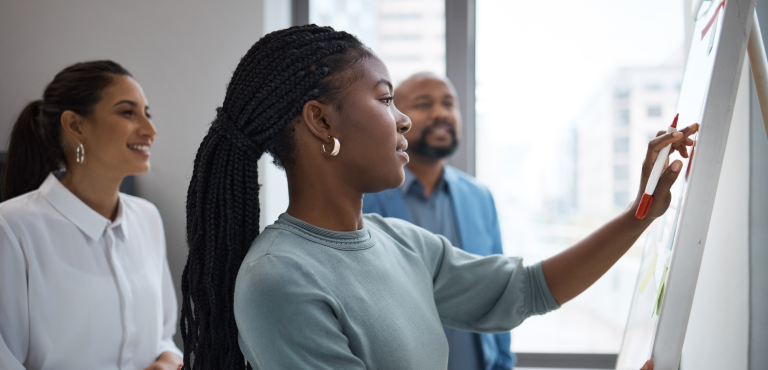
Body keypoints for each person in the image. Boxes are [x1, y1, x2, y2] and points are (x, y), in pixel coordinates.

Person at [181, 24, 694, 370]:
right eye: (385, 100)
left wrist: (640, 212)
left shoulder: (400, 242)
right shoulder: (279, 277)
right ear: (321, 121)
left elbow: (527, 289)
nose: (402, 117)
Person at [0, 61, 183, 370]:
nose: (150, 130)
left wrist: (167, 360)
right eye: (128, 112)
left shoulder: (147, 218)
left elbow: (164, 336)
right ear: (75, 125)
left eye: (147, 113)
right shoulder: (12, 227)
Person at [362, 72, 514, 370]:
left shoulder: (480, 197)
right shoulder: (367, 196)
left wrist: (504, 363)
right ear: (396, 119)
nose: (441, 113)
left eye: (449, 103)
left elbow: (500, 287)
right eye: (423, 104)